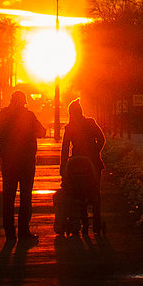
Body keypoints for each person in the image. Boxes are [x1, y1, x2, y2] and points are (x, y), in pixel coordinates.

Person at [0, 90, 47, 241]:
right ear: (23, 102)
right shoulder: (29, 116)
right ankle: (23, 231)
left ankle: (9, 233)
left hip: (9, 162)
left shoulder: (2, 115)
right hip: (26, 162)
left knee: (8, 197)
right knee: (25, 196)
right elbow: (42, 132)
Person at [59, 99, 107, 233]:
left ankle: (82, 217)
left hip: (76, 164)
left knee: (77, 190)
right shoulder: (90, 123)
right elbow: (102, 139)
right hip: (93, 163)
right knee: (94, 190)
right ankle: (96, 219)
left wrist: (63, 166)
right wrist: (95, 151)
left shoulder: (69, 128)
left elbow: (65, 148)